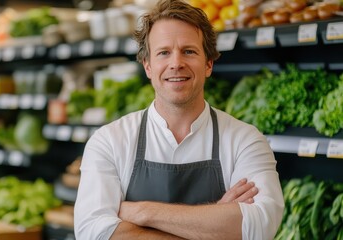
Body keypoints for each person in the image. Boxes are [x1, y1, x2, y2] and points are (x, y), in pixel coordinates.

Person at [74, 0, 284, 239]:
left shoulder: (245, 140)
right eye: (164, 53)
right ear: (148, 66)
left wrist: (143, 212)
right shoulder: (110, 141)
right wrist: (216, 219)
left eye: (189, 51)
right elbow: (92, 232)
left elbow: (259, 226)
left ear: (208, 64)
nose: (176, 63)